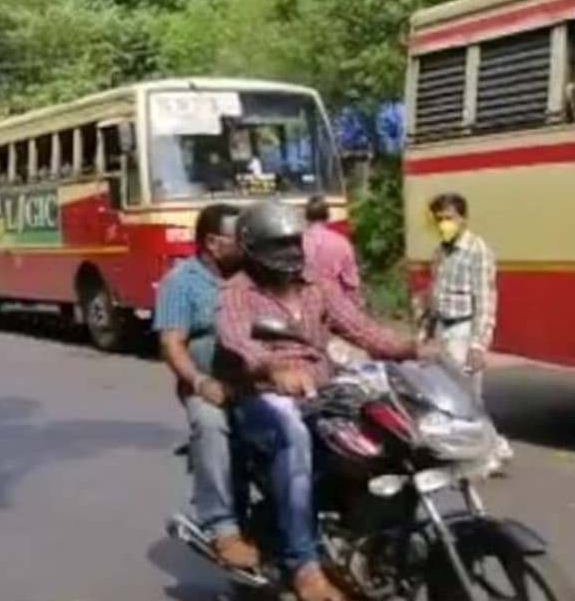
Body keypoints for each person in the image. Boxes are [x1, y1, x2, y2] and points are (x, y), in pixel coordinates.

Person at [216, 201, 421, 601]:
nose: (291, 252)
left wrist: (413, 348)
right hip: (263, 398)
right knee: (292, 436)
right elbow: (237, 339)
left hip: (321, 393)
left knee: (393, 430)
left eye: (295, 241)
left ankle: (379, 541)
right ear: (252, 247)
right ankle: (303, 564)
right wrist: (272, 369)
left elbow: (362, 329)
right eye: (279, 244)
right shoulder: (237, 291)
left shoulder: (316, 286)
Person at [152, 203, 258, 569]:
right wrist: (199, 381)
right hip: (208, 384)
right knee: (211, 425)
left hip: (259, 380)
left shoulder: (253, 276)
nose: (247, 245)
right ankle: (222, 527)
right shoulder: (181, 282)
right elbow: (171, 344)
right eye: (238, 238)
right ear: (212, 243)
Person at [418, 192, 512, 464]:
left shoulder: (477, 251)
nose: (444, 224)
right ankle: (480, 448)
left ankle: (489, 451)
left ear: (463, 219)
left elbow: (485, 300)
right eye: (439, 219)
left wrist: (478, 344)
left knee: (468, 396)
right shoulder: (441, 252)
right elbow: (434, 294)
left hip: (463, 330)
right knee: (445, 395)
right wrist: (424, 332)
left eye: (449, 218)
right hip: (442, 331)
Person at [301, 196, 361, 305]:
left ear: (306, 217)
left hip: (305, 302)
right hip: (336, 302)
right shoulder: (342, 242)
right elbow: (351, 282)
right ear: (327, 216)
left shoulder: (298, 242)